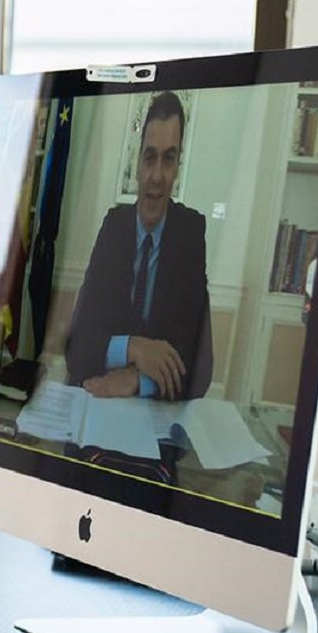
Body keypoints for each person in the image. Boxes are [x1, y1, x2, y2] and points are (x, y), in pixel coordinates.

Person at [63, 91, 213, 401]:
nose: (157, 176)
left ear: (178, 165)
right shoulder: (113, 227)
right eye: (149, 157)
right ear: (137, 161)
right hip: (100, 411)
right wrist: (134, 348)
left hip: (152, 421)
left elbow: (200, 367)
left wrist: (135, 379)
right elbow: (77, 348)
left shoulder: (190, 233)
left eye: (168, 159)